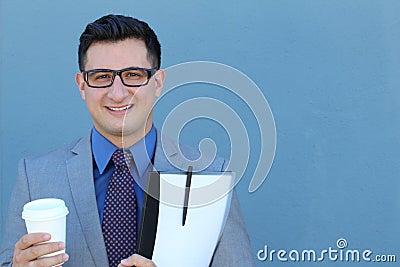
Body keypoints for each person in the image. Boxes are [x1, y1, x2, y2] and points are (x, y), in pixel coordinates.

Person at [0, 14, 254, 267]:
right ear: (81, 86)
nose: (118, 93)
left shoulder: (210, 177)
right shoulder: (35, 177)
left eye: (133, 75)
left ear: (157, 83)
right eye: (101, 76)